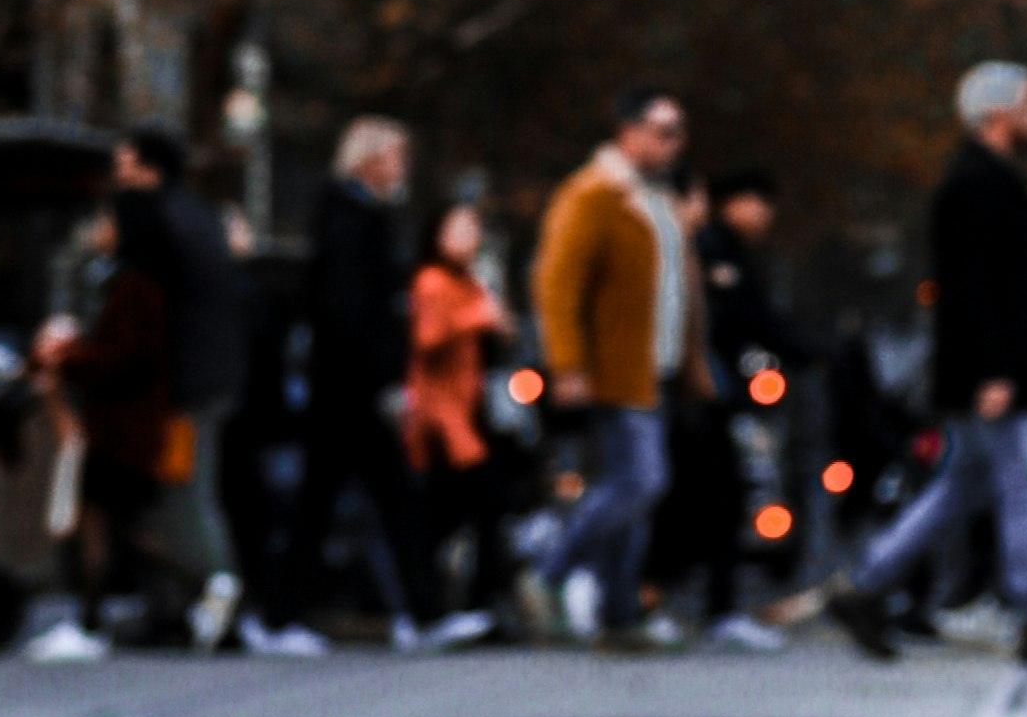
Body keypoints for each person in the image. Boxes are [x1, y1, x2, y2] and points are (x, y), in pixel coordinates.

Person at [828, 61, 1027, 660]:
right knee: (1020, 486)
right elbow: (974, 288)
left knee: (962, 489)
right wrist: (995, 371)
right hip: (992, 372)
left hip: (988, 369)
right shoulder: (976, 187)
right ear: (996, 114)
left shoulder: (987, 182)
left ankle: (865, 585)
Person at [526, 84, 695, 647]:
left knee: (636, 495)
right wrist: (567, 363)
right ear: (629, 131)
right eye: (664, 131)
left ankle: (619, 613)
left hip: (655, 366)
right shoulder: (593, 193)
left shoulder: (654, 198)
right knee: (641, 481)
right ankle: (549, 570)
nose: (675, 144)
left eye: (679, 132)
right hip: (614, 368)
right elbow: (557, 282)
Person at [248, 116, 422, 655]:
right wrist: (383, 380)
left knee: (335, 503)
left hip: (347, 387)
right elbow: (352, 312)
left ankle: (286, 614)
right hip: (350, 390)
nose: (402, 168)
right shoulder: (352, 221)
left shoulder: (355, 216)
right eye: (395, 156)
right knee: (360, 502)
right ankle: (419, 611)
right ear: (367, 159)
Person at [117, 130, 246, 651]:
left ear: (150, 169)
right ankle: (187, 602)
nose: (118, 174)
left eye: (125, 163)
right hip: (202, 378)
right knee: (183, 492)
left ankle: (218, 589)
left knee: (183, 496)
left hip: (181, 386)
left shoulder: (157, 220)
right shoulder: (196, 216)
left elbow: (148, 310)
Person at [33, 199, 173, 654]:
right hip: (119, 422)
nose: (99, 228)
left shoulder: (132, 286)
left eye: (108, 221)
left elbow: (122, 360)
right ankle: (110, 615)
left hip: (121, 424)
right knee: (113, 524)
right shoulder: (119, 279)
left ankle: (98, 620)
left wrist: (72, 358)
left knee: (107, 523)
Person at [690, 170, 807, 647]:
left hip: (711, 389)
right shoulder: (708, 249)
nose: (766, 213)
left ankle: (712, 604)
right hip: (701, 391)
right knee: (712, 495)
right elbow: (744, 320)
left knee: (721, 495)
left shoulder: (728, 253)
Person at [403, 196, 515, 644]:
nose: (469, 238)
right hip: (442, 417)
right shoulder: (433, 281)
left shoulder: (471, 282)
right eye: (459, 228)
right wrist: (476, 318)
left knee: (459, 510)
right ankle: (468, 602)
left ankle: (467, 600)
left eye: (473, 229)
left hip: (468, 411)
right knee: (477, 505)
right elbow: (427, 338)